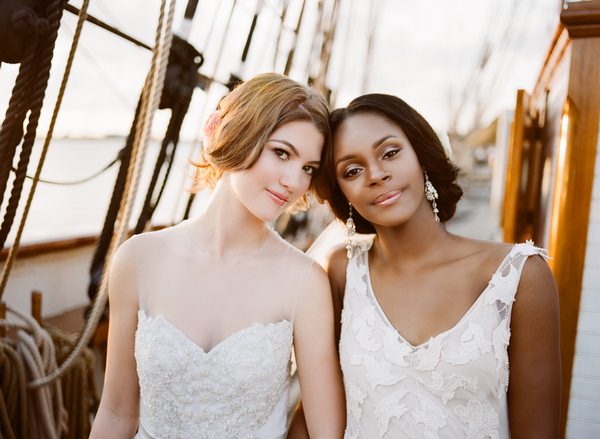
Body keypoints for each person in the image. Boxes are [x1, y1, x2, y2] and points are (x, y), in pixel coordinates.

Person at [89, 73, 345, 439]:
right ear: (236, 134)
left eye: (308, 169)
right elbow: (116, 412)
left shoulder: (305, 282)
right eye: (282, 153)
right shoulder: (136, 260)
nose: (293, 181)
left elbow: (325, 434)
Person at [310, 93, 561, 438]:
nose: (376, 174)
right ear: (342, 193)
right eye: (352, 170)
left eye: (390, 153)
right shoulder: (341, 270)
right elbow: (315, 410)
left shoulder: (519, 276)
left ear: (421, 155)